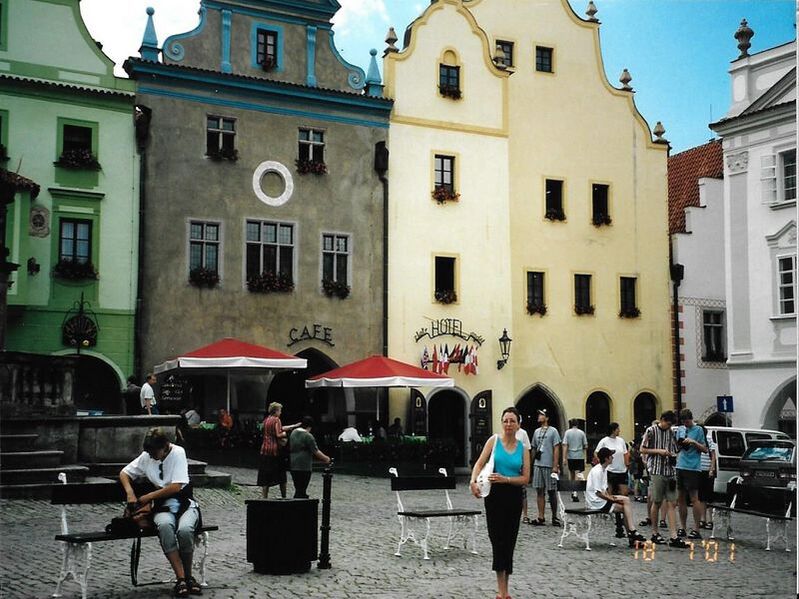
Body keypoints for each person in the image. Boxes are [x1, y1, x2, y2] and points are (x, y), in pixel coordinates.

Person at [119, 429, 202, 597]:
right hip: (162, 507)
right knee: (164, 526)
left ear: (165, 447)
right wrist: (130, 492)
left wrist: (148, 496)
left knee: (185, 530)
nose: (151, 456)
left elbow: (176, 486)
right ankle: (181, 579)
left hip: (184, 503)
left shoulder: (178, 452)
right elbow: (124, 473)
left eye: (154, 452)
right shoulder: (147, 457)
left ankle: (188, 575)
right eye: (149, 453)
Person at [469, 407, 530, 599]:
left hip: (513, 497)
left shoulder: (523, 448)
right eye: (505, 421)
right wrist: (473, 481)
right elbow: (479, 463)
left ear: (518, 424)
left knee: (509, 541)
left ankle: (506, 590)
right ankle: (501, 591)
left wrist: (506, 479)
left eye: (512, 421)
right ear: (501, 422)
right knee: (497, 540)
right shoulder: (493, 441)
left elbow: (526, 478)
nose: (508, 424)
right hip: (494, 496)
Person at [640, 411, 688, 548]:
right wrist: (659, 451)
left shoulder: (671, 432)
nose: (668, 426)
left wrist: (681, 445)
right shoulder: (651, 431)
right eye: (667, 423)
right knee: (657, 501)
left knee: (672, 503)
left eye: (670, 424)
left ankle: (674, 536)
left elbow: (675, 449)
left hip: (670, 471)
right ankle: (655, 533)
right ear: (662, 420)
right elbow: (642, 449)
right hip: (656, 471)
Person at [585, 447, 647, 547]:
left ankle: (632, 533)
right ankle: (632, 533)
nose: (613, 458)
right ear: (606, 458)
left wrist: (611, 497)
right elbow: (598, 493)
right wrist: (611, 499)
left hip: (600, 499)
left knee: (625, 502)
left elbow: (603, 490)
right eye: (611, 456)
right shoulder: (598, 471)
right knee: (625, 505)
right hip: (596, 502)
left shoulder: (603, 469)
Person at [675, 408, 707, 539]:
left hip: (693, 467)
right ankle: (682, 527)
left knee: (694, 498)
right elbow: (677, 447)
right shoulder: (680, 430)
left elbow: (704, 449)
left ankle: (696, 528)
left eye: (687, 421)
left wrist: (693, 442)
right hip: (680, 464)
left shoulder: (698, 430)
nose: (686, 424)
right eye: (684, 422)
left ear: (691, 419)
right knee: (680, 497)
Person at [594, 422, 630, 538]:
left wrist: (626, 464)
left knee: (623, 495)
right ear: (613, 430)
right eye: (618, 429)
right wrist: (602, 463)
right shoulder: (604, 441)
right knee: (611, 496)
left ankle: (624, 523)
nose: (619, 430)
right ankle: (618, 525)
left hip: (621, 470)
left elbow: (625, 453)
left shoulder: (621, 441)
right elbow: (597, 452)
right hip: (610, 471)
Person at [258, 402, 300, 498]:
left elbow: (278, 429)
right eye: (280, 410)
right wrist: (286, 434)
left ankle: (264, 497)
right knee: (281, 477)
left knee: (265, 477)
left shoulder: (266, 420)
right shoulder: (277, 420)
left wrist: (293, 426)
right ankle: (284, 496)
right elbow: (278, 434)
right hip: (274, 451)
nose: (280, 412)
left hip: (264, 450)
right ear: (276, 411)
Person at [529, 408, 562, 526]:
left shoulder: (553, 431)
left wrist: (555, 465)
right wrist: (531, 463)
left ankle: (554, 516)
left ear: (547, 418)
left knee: (552, 491)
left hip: (549, 465)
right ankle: (541, 516)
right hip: (538, 464)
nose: (539, 416)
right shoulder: (536, 431)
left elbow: (556, 448)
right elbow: (533, 448)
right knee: (539, 491)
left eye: (541, 414)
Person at [289, 416, 332, 498]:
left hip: (293, 463)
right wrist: (326, 458)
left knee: (298, 487)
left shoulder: (293, 433)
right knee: (302, 488)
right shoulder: (308, 436)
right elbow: (315, 451)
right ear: (309, 426)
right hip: (304, 465)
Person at [562, 419, 588, 502]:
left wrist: (564, 458)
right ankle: (575, 492)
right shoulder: (581, 433)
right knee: (578, 474)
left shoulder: (567, 432)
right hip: (579, 456)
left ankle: (573, 490)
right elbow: (585, 445)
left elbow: (565, 445)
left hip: (570, 456)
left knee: (572, 474)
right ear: (577, 424)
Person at [697, 424, 717, 530]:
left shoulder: (708, 439)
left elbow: (713, 456)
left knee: (709, 498)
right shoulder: (696, 440)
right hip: (699, 470)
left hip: (707, 470)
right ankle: (702, 519)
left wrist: (711, 469)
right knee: (701, 498)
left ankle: (710, 520)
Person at [515, 420, 532, 524]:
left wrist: (527, 467)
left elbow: (528, 449)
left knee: (523, 492)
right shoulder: (506, 433)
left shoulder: (523, 433)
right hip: (511, 465)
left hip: (521, 464)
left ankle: (525, 514)